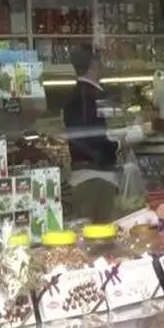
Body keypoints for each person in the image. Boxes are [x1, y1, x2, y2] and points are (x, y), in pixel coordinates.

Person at [63, 45, 141, 223]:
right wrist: (121, 142)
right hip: (98, 179)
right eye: (100, 60)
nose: (104, 64)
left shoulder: (73, 96)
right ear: (93, 65)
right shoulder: (95, 97)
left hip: (81, 176)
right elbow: (96, 139)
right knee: (102, 230)